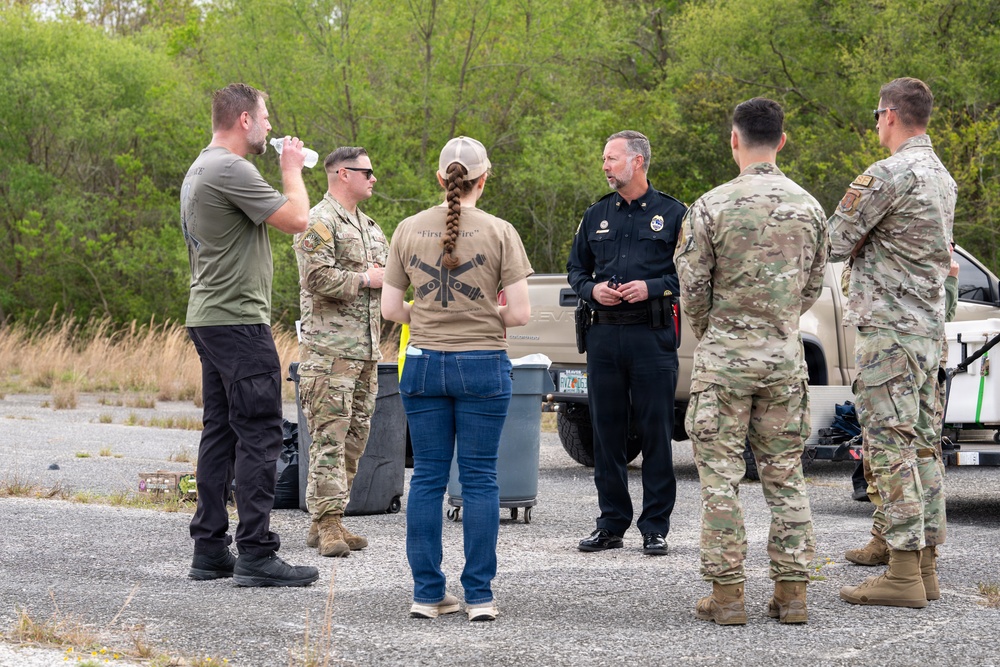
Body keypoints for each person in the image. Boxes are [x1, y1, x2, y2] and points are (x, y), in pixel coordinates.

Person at [674, 98, 828, 625]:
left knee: (720, 478)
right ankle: (793, 595)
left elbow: (691, 289)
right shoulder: (809, 207)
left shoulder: (712, 206)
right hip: (784, 359)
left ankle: (727, 595)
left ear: (733, 139)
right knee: (786, 476)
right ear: (781, 141)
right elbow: (813, 286)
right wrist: (778, 323)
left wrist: (717, 332)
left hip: (724, 361)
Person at [381, 136, 532, 622]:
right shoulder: (501, 231)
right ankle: (480, 597)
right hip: (483, 364)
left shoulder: (406, 229)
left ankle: (427, 593)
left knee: (426, 477)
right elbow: (522, 314)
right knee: (480, 479)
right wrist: (484, 312)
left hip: (423, 363)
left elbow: (389, 310)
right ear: (483, 179)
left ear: (441, 179)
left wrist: (424, 314)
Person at [181, 82, 319, 587]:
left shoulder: (200, 166)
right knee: (260, 432)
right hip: (238, 321)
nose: (268, 127)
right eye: (264, 118)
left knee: (220, 431)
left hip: (209, 315)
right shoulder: (230, 168)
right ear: (243, 121)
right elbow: (298, 219)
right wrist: (291, 171)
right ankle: (258, 552)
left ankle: (210, 548)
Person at [829, 77, 957, 608]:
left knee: (889, 447)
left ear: (889, 115)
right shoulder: (941, 176)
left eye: (875, 116)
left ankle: (902, 573)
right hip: (926, 332)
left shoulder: (887, 174)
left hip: (889, 334)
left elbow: (835, 238)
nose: (875, 125)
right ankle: (924, 565)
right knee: (924, 445)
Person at [566, 130, 686, 556]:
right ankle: (611, 523)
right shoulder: (595, 214)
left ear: (637, 162)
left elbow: (689, 274)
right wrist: (591, 291)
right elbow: (576, 270)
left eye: (612, 158)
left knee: (656, 432)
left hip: (651, 336)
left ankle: (655, 526)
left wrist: (652, 287)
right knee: (606, 434)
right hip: (603, 335)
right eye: (604, 158)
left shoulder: (673, 214)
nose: (605, 165)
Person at [294, 147, 388, 557]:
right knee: (328, 440)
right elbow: (314, 276)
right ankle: (328, 522)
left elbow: (391, 280)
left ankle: (328, 520)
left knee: (355, 438)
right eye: (366, 171)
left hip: (366, 353)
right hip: (330, 353)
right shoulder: (319, 220)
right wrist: (366, 278)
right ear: (342, 174)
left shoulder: (371, 227)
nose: (373, 178)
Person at [846, 251, 959, 580]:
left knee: (898, 453)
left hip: (906, 349)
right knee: (896, 452)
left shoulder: (907, 239)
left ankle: (916, 551)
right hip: (920, 349)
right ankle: (894, 542)